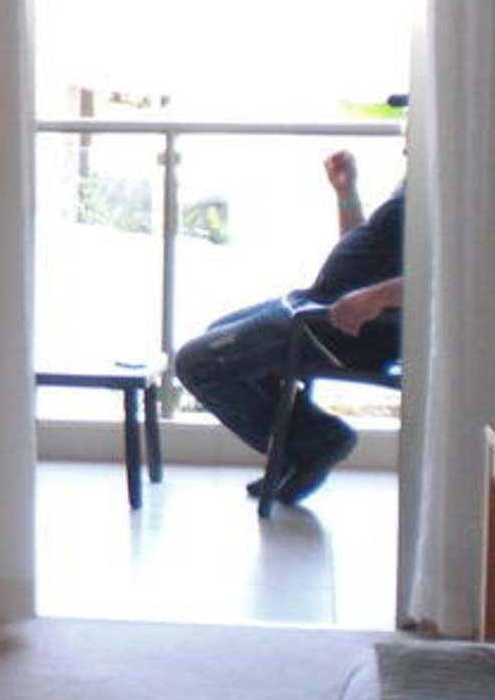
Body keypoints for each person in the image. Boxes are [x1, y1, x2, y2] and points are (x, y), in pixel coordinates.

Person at [172, 151, 403, 506]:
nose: (406, 145)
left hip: (332, 329)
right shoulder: (412, 194)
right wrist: (346, 193)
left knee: (196, 363)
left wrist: (374, 297)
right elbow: (366, 254)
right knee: (217, 336)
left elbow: (440, 279)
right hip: (313, 308)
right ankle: (295, 448)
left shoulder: (436, 203)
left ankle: (314, 441)